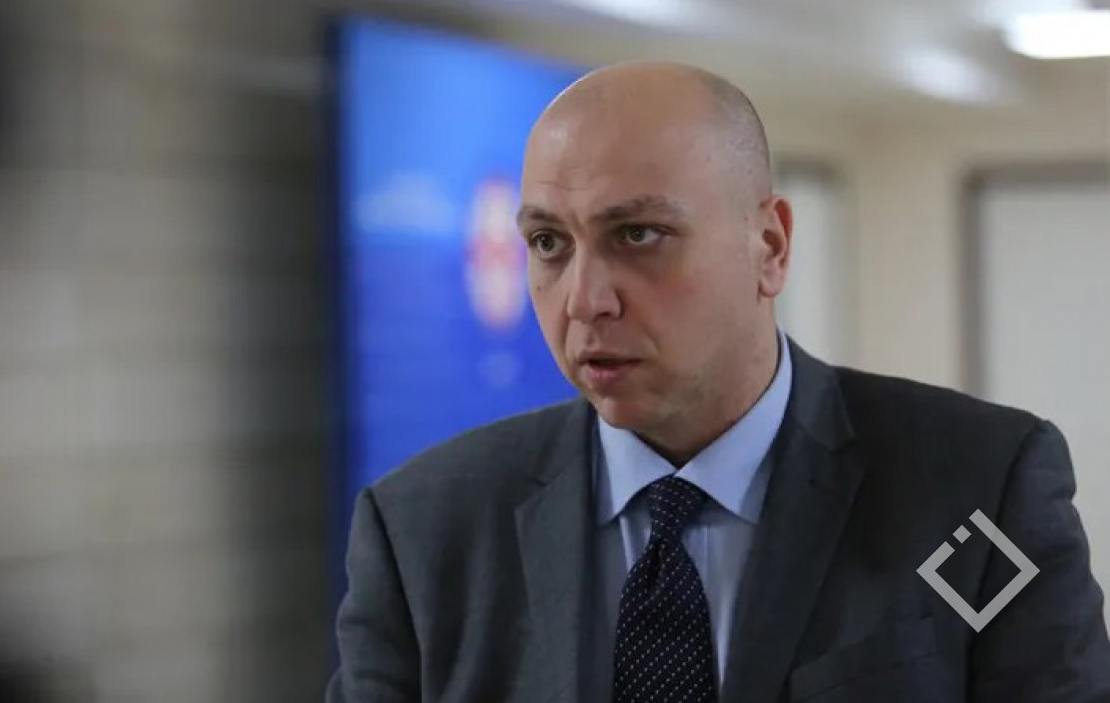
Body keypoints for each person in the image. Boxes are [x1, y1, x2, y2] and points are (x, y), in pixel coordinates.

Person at [326, 61, 1110, 702]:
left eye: (639, 234)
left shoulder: (976, 491)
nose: (585, 300)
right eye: (549, 243)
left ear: (769, 247)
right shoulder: (424, 530)